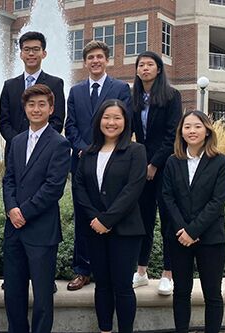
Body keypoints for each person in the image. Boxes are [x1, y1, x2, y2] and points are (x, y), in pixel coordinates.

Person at [73, 99, 147, 333]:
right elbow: (79, 187)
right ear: (98, 121)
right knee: (102, 286)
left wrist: (107, 220)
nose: (111, 122)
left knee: (123, 286)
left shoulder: (136, 151)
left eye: (117, 118)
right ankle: (104, 329)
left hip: (126, 231)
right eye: (106, 117)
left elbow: (133, 189)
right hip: (94, 229)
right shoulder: (88, 153)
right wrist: (95, 218)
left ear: (125, 122)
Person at [2, 84, 70, 333]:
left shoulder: (60, 144)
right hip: (14, 230)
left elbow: (53, 188)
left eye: (42, 104)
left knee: (42, 297)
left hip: (41, 231)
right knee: (13, 293)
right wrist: (12, 209)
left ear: (51, 108)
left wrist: (24, 212)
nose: (36, 109)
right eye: (31, 104)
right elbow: (8, 179)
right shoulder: (17, 141)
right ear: (25, 108)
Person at [64, 40, 131, 291]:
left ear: (107, 60)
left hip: (112, 163)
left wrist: (104, 150)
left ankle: (108, 269)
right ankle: (82, 270)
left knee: (109, 212)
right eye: (90, 57)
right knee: (83, 216)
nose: (95, 61)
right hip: (81, 162)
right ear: (85, 62)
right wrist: (83, 149)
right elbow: (70, 126)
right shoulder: (76, 91)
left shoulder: (120, 88)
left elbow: (125, 122)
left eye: (100, 57)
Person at [162, 110, 225, 333]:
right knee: (181, 292)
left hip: (210, 238)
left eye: (197, 126)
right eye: (187, 126)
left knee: (212, 293)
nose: (192, 131)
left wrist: (193, 230)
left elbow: (217, 201)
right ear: (181, 132)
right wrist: (183, 230)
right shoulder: (173, 162)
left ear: (207, 130)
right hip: (178, 237)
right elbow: (167, 197)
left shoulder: (221, 162)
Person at [131, 51, 182, 295]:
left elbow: (173, 134)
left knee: (168, 222)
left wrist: (154, 164)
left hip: (166, 167)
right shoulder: (134, 98)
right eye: (141, 65)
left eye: (150, 65)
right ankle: (141, 271)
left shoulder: (172, 96)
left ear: (159, 69)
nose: (145, 69)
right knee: (144, 220)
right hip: (141, 167)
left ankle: (168, 274)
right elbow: (130, 133)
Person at [0, 31, 65, 160]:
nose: (31, 54)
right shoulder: (9, 85)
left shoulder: (55, 84)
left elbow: (57, 120)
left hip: (45, 151)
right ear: (21, 54)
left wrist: (38, 142)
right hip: (14, 151)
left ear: (44, 53)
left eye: (36, 49)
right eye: (26, 49)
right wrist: (19, 142)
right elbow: (3, 122)